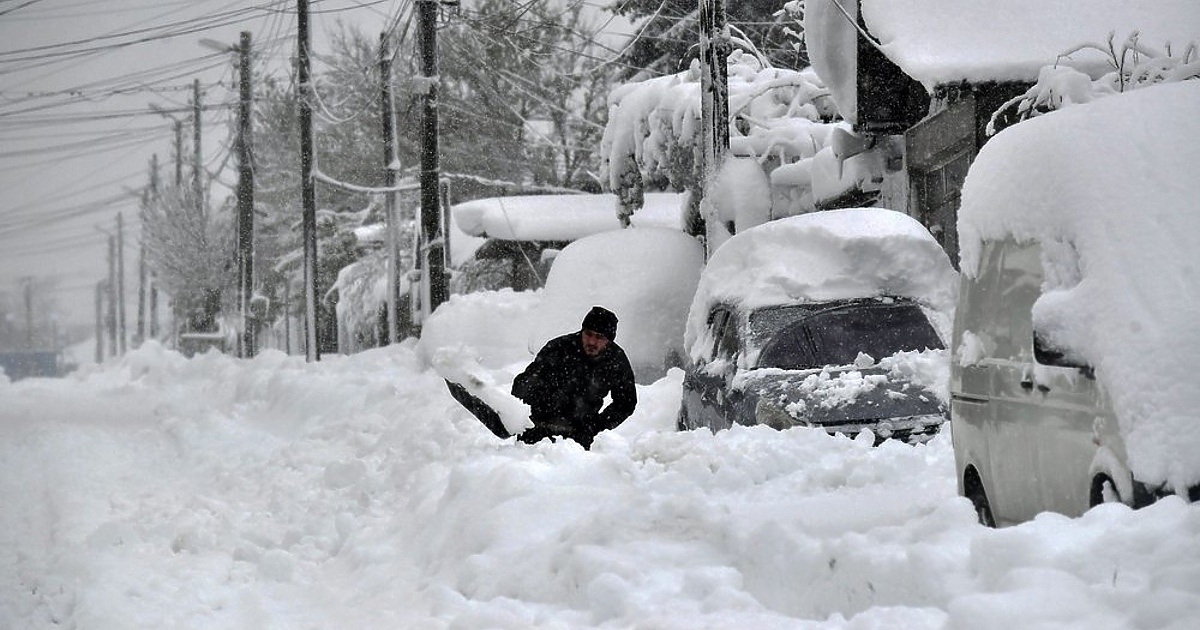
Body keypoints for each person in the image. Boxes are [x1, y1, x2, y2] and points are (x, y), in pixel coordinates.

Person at [510, 306, 637, 449]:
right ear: (582, 331)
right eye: (588, 334)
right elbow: (523, 385)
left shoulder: (616, 361)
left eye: (599, 337)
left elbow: (626, 403)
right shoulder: (559, 348)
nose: (592, 342)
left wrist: (596, 426)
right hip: (538, 429)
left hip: (578, 437)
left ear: (609, 340)